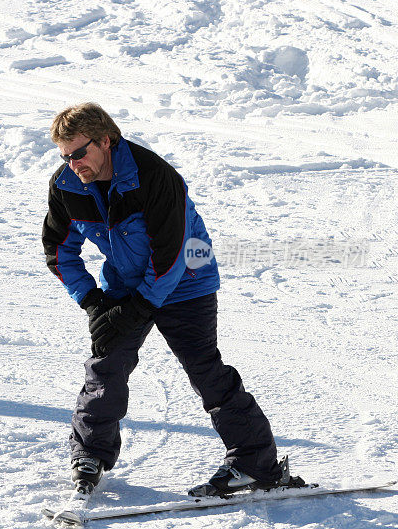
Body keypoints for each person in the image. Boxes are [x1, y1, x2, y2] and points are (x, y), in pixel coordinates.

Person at [41, 103, 296, 497]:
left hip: (187, 279)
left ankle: (256, 463)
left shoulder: (154, 176)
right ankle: (90, 453)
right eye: (65, 156)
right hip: (126, 283)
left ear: (105, 140)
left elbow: (172, 254)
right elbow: (60, 253)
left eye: (79, 153)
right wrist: (92, 301)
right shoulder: (67, 186)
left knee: (204, 369)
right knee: (107, 363)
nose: (73, 164)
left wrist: (141, 306)